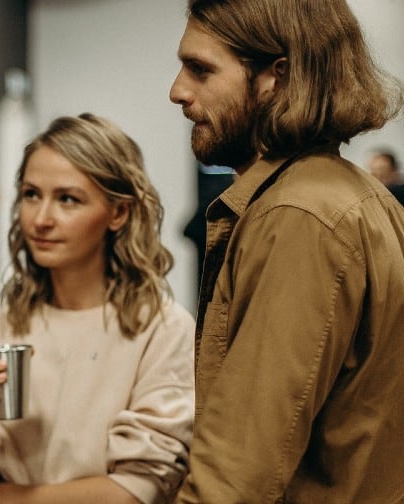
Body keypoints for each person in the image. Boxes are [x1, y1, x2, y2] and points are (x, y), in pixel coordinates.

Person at [168, 0, 404, 502]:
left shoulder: (298, 217)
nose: (178, 91)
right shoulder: (357, 196)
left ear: (276, 77)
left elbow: (234, 478)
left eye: (200, 70)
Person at [0, 113, 195, 504]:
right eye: (31, 195)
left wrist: (7, 496)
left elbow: (135, 491)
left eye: (67, 199)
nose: (41, 220)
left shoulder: (161, 329)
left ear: (119, 213)